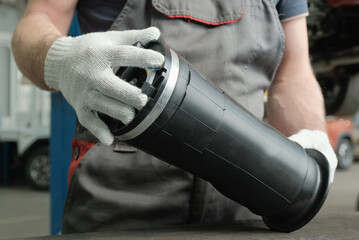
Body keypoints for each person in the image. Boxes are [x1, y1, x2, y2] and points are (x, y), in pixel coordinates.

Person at [12, 0, 338, 234]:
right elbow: (38, 19)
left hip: (248, 197)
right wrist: (59, 59)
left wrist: (312, 141)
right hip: (120, 201)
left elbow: (292, 73)